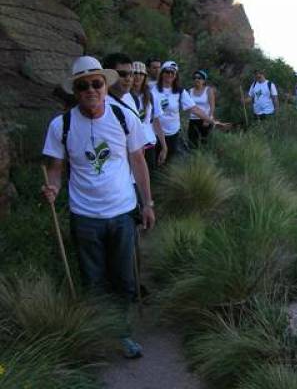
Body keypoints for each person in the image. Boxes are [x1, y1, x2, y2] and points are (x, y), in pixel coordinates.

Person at [41, 56, 155, 359]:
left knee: (124, 278)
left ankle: (123, 333)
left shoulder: (123, 117)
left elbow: (139, 162)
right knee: (93, 278)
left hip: (122, 211)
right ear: (75, 91)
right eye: (83, 86)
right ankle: (99, 333)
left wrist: (148, 203)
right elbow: (56, 166)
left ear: (105, 85)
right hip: (85, 215)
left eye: (96, 83)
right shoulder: (61, 124)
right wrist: (53, 186)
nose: (90, 90)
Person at [151, 61, 215, 164]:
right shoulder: (153, 91)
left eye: (173, 73)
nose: (170, 75)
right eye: (167, 72)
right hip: (156, 134)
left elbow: (194, 109)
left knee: (168, 163)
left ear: (176, 76)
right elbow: (154, 117)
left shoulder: (179, 91)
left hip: (173, 133)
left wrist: (211, 121)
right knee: (155, 162)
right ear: (162, 73)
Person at [132, 61, 157, 171]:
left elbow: (152, 120)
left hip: (149, 142)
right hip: (133, 144)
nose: (138, 76)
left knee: (149, 175)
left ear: (145, 76)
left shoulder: (149, 95)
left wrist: (164, 145)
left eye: (141, 74)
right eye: (134, 73)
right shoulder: (124, 96)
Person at [188, 69, 216, 148]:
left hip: (205, 119)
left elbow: (212, 106)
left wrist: (208, 119)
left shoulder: (208, 90)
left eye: (199, 78)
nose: (197, 79)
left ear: (204, 80)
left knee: (205, 143)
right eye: (195, 78)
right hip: (193, 119)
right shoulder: (190, 91)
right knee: (192, 143)